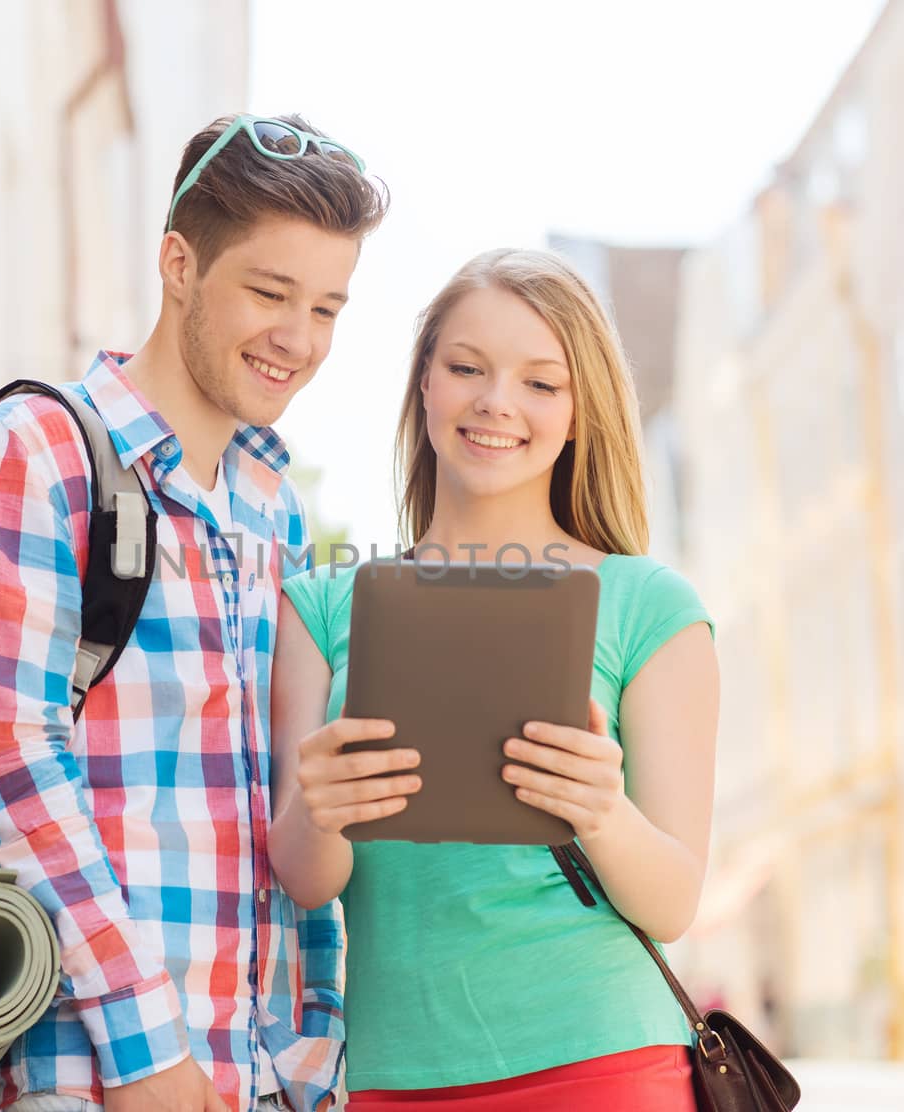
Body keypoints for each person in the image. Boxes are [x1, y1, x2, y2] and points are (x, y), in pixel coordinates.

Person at [0, 114, 388, 1112]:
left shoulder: (272, 505)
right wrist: (145, 1044)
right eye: (270, 292)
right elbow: (2, 751)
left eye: (325, 307)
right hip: (96, 1069)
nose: (297, 339)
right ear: (177, 263)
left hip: (264, 1071)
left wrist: (314, 1049)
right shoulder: (41, 446)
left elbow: (281, 780)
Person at [269, 249, 719, 1111]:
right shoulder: (324, 604)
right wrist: (320, 806)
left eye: (541, 383)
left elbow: (672, 901)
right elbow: (306, 878)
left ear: (581, 412)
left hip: (604, 1064)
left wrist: (599, 808)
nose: (496, 402)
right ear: (425, 386)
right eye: (467, 368)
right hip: (396, 1079)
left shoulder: (648, 604)